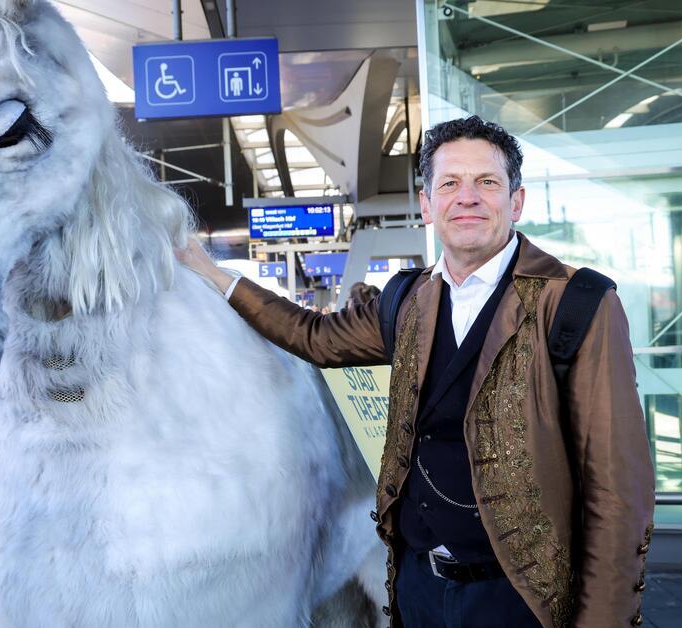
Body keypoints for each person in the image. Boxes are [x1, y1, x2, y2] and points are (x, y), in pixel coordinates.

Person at [177, 115, 655, 628]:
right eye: (449, 183)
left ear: (516, 202)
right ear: (428, 205)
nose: (466, 197)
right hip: (417, 589)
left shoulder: (577, 303)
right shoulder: (407, 301)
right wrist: (213, 273)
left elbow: (618, 493)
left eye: (487, 182)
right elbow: (313, 337)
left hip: (521, 600)